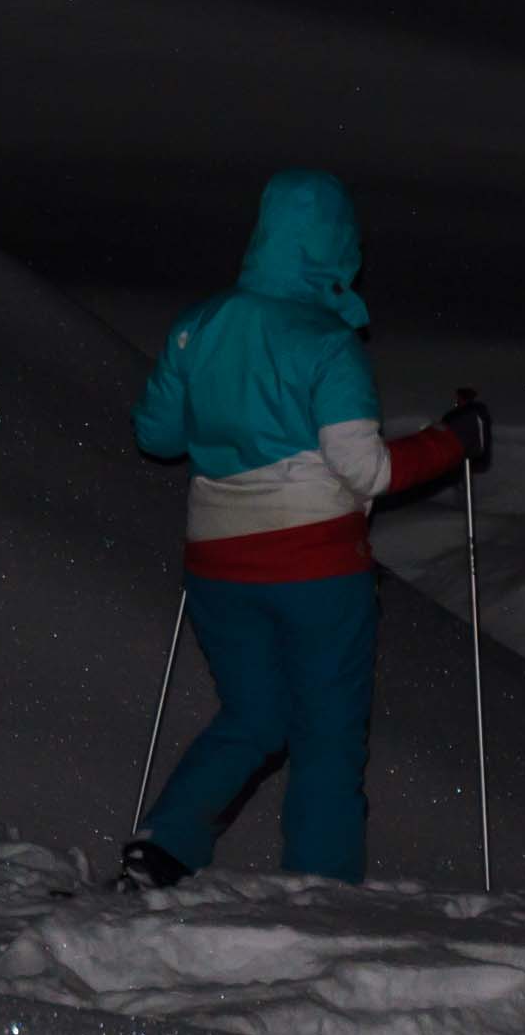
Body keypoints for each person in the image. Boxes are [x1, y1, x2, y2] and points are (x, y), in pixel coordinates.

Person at [121, 169, 484, 890]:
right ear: (337, 248)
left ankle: (164, 846)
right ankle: (318, 896)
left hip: (218, 564)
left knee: (255, 715)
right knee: (326, 736)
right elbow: (368, 473)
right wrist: (454, 441)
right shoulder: (326, 343)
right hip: (315, 567)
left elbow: (156, 435)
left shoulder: (200, 325)